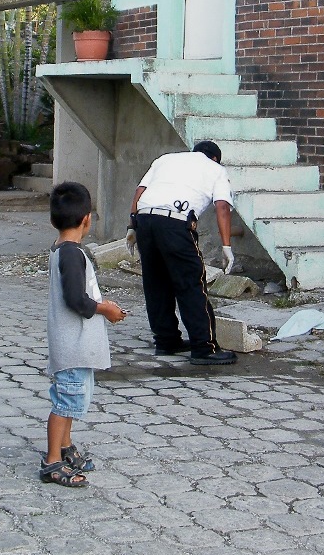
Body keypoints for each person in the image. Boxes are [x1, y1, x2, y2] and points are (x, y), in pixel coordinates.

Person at [125, 141, 242, 365]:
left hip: (145, 220)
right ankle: (204, 348)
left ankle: (166, 340)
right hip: (175, 223)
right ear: (215, 158)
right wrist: (226, 246)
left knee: (156, 282)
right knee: (191, 283)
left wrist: (132, 227)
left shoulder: (166, 159)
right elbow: (222, 207)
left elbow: (140, 192)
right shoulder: (216, 169)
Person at [41, 182, 125, 487]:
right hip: (72, 343)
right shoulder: (72, 255)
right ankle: (52, 461)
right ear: (87, 218)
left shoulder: (63, 251)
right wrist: (106, 309)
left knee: (73, 397)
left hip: (72, 342)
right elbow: (76, 299)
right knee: (65, 401)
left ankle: (64, 447)